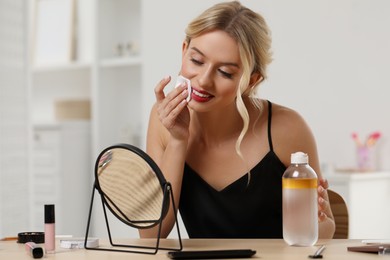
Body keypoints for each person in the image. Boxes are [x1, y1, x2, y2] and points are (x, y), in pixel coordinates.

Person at [140, 1, 335, 239]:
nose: (203, 80)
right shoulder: (162, 119)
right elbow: (151, 235)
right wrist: (179, 140)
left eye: (225, 72)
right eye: (197, 61)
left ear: (252, 81)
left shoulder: (287, 128)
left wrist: (319, 216)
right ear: (184, 50)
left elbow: (325, 230)